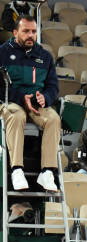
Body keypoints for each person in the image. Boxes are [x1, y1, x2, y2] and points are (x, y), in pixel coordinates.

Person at [0, 15, 61, 191]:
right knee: (17, 115)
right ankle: (17, 169)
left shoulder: (45, 56)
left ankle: (47, 171)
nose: (30, 35)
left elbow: (53, 87)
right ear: (15, 32)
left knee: (54, 119)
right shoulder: (3, 52)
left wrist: (46, 98)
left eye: (34, 31)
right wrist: (21, 98)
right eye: (26, 31)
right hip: (10, 101)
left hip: (36, 103)